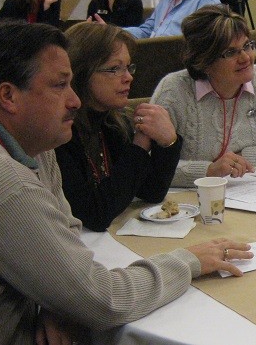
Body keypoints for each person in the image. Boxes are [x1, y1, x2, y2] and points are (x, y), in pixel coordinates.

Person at [0, 21, 252, 344]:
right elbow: (104, 301)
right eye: (60, 85)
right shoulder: (2, 183)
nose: (75, 101)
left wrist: (59, 300)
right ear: (8, 96)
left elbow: (66, 228)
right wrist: (190, 260)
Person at [151, 5, 256, 186]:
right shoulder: (174, 91)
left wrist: (248, 156)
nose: (246, 58)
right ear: (203, 61)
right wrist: (208, 171)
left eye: (247, 46)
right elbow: (148, 167)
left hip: (249, 195)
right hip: (186, 203)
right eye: (231, 52)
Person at [55, 23, 182, 232]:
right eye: (115, 69)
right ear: (81, 73)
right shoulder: (60, 134)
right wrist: (139, 147)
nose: (128, 77)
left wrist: (168, 142)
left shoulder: (111, 123)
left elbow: (151, 192)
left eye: (129, 67)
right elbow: (95, 214)